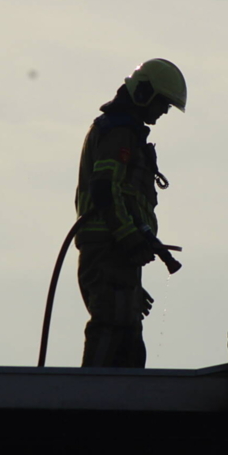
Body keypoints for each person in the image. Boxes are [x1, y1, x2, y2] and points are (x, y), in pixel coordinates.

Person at [74, 58, 187, 368]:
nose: (164, 111)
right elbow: (105, 190)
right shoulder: (119, 133)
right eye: (163, 103)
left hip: (118, 252)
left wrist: (130, 281)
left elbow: (125, 197)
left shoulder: (127, 133)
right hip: (109, 246)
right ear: (144, 94)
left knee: (129, 343)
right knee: (111, 329)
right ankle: (86, 401)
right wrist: (130, 240)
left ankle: (125, 409)